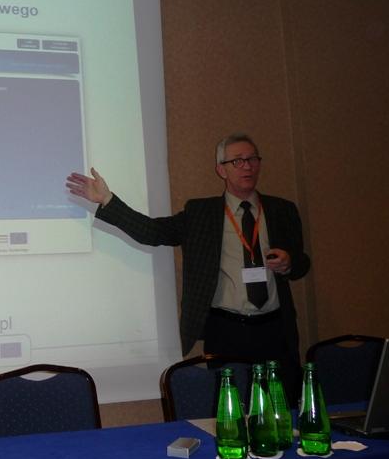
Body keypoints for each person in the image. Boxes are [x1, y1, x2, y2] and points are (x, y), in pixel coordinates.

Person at [66, 133, 310, 400]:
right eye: (238, 161)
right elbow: (152, 232)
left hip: (276, 329)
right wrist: (108, 200)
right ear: (221, 170)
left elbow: (302, 263)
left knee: (285, 406)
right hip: (226, 331)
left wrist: (289, 262)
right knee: (234, 409)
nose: (248, 167)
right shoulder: (201, 213)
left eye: (253, 159)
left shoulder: (282, 210)